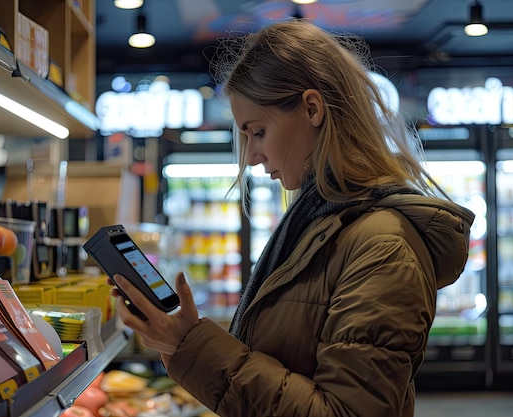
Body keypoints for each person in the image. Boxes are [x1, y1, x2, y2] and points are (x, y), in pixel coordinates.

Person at [109, 19, 475, 417]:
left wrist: (194, 347)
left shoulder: (382, 246)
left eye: (258, 132)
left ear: (312, 109)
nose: (251, 156)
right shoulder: (317, 221)